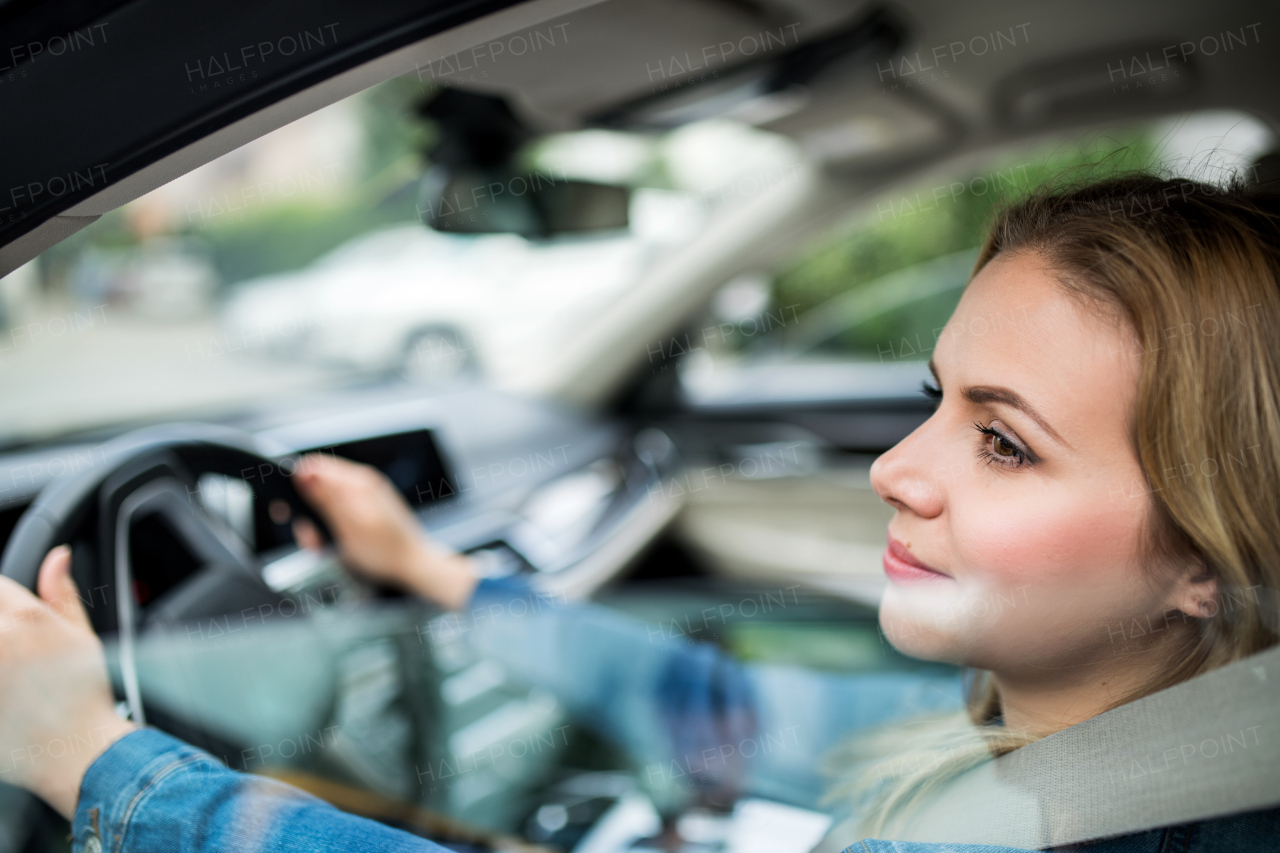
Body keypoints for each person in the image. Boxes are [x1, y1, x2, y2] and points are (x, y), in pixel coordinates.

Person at [0, 173, 1277, 852]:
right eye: (931, 397)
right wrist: (445, 582)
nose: (895, 465)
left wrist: (97, 761)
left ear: (1207, 565)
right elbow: (726, 717)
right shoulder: (1049, 741)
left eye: (1003, 442)